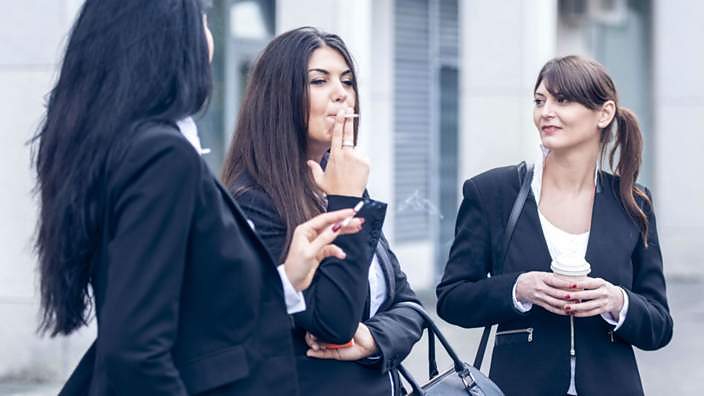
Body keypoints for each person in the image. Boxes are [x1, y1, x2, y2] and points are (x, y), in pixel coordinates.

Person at [33, 2, 362, 395]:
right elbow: (137, 352)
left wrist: (286, 280)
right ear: (168, 38)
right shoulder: (161, 155)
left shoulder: (138, 147)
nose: (209, 34)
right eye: (203, 20)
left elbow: (187, 314)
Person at [436, 55, 673, 396]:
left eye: (562, 100)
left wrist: (617, 301)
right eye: (539, 100)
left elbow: (660, 326)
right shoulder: (492, 194)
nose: (546, 111)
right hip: (520, 385)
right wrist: (518, 289)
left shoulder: (634, 204)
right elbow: (452, 298)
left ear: (603, 114)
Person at [221, 27, 424, 396]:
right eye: (319, 81)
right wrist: (344, 201)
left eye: (347, 81)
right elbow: (331, 323)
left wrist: (375, 338)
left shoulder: (342, 182)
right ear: (279, 97)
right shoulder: (254, 201)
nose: (341, 93)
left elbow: (409, 303)